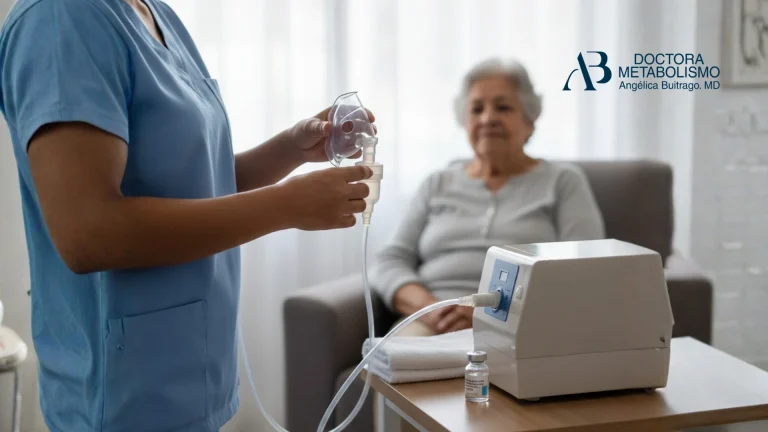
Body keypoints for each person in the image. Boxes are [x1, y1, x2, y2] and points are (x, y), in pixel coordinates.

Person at [0, 0, 374, 430]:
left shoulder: (152, 14)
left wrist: (291, 149)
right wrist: (286, 205)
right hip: (124, 394)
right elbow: (89, 233)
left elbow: (196, 179)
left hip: (184, 378)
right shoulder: (62, 18)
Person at [372, 58, 605, 337]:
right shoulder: (437, 183)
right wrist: (433, 310)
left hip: (523, 325)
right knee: (398, 360)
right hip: (433, 321)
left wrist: (490, 315)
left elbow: (585, 271)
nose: (487, 118)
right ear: (465, 121)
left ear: (529, 121)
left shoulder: (563, 181)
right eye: (477, 109)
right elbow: (390, 260)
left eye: (503, 107)